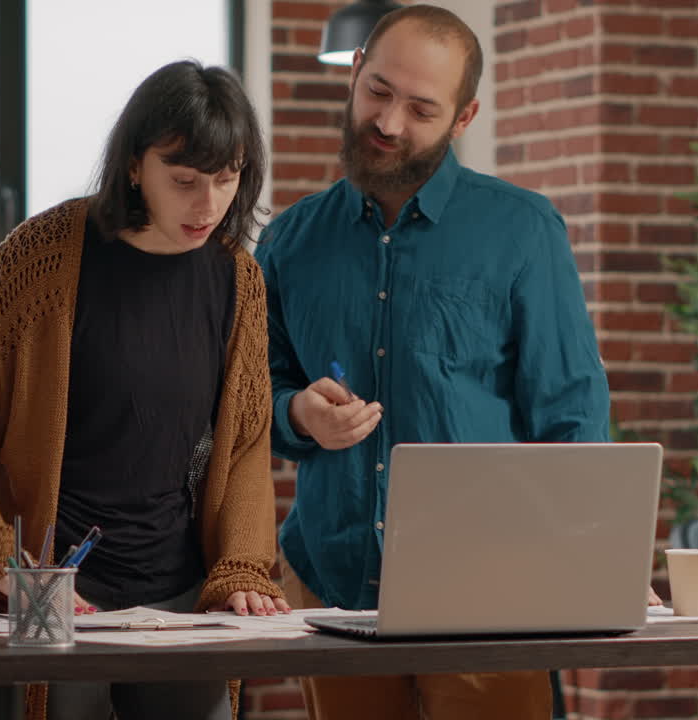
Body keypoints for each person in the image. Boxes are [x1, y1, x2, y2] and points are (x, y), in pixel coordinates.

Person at [255, 5, 623, 719]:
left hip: (492, 589)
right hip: (329, 577)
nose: (389, 123)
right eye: (379, 91)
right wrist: (294, 413)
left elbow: (572, 411)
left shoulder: (523, 229)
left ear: (464, 117)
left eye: (421, 109)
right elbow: (246, 398)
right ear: (355, 71)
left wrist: (595, 560)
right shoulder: (289, 240)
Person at [0, 59, 290, 720]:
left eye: (226, 181)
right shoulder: (44, 257)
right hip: (57, 599)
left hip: (181, 599)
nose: (208, 206)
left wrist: (243, 568)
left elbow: (246, 443)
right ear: (135, 166)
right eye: (185, 181)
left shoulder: (238, 281)